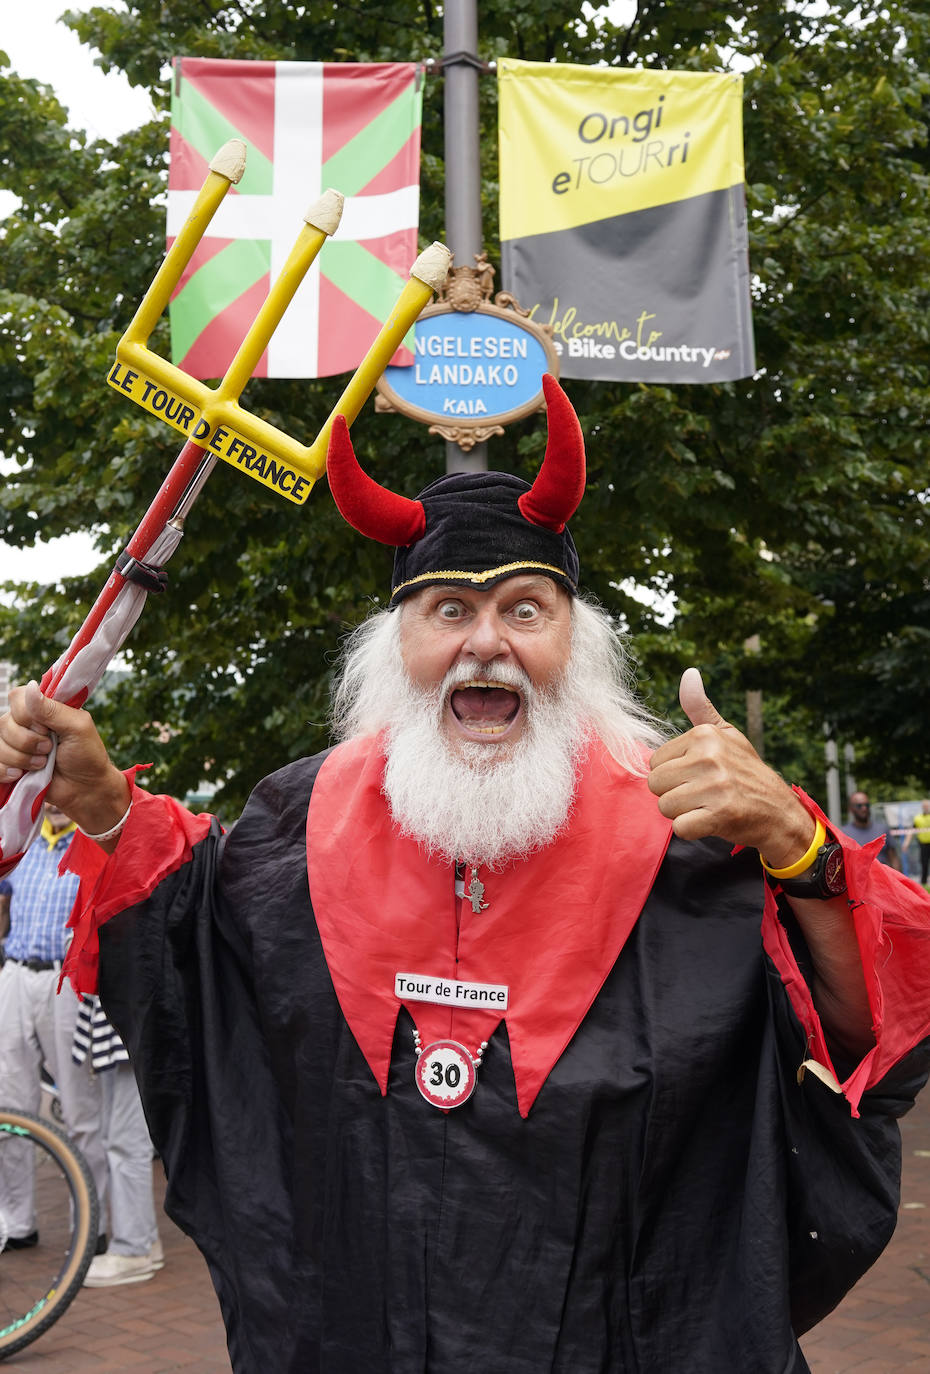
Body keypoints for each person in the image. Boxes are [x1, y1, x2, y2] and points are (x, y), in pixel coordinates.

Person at [2, 377, 930, 1372]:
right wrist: (100, 798)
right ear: (395, 645)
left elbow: (870, 1031)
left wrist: (803, 846)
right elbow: (195, 940)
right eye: (448, 609)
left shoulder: (693, 831)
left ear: (576, 645)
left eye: (525, 610)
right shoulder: (297, 819)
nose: (484, 642)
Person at [0, 802, 162, 1281]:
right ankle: (17, 1220)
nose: (51, 799)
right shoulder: (22, 840)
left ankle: (89, 1226)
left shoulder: (93, 841)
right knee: (11, 1105)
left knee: (79, 1111)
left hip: (68, 982)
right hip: (15, 975)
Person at [72, 993, 164, 1286]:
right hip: (120, 1017)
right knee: (119, 1136)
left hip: (132, 1016)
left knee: (125, 1141)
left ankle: (133, 1248)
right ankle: (144, 1241)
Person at [841, 790, 902, 870]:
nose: (864, 808)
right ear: (851, 809)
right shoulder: (844, 833)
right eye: (859, 806)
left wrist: (897, 880)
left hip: (882, 881)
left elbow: (894, 858)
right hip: (858, 881)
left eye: (867, 805)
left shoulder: (882, 830)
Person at [912, 800, 930, 886]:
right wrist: (906, 843)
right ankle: (924, 883)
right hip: (923, 844)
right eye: (924, 806)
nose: (926, 807)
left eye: (927, 806)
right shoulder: (918, 818)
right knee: (924, 863)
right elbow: (911, 831)